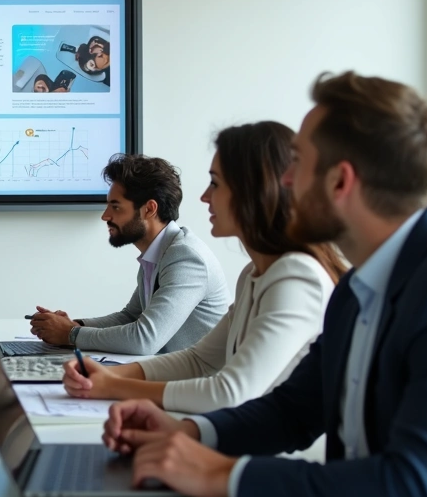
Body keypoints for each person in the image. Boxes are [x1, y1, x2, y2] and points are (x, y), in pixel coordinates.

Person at [102, 72, 427, 497]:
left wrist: (222, 473)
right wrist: (188, 431)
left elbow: (412, 490)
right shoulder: (359, 286)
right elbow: (294, 410)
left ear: (341, 180)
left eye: (298, 162)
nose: (286, 179)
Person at [63, 122, 346, 413]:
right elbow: (200, 360)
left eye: (215, 183)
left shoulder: (296, 277)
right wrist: (107, 374)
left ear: (254, 191)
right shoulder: (253, 274)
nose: (204, 197)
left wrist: (112, 384)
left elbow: (229, 391)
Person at [30, 154, 230, 355]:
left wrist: (71, 334)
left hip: (200, 381)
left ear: (149, 209)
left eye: (115, 206)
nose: (105, 216)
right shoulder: (159, 253)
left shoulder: (186, 257)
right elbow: (130, 316)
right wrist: (72, 325)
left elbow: (144, 339)